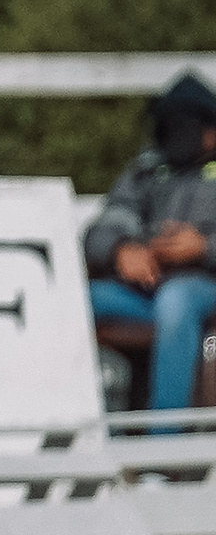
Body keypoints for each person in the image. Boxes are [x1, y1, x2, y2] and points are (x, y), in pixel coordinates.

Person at [84, 70, 216, 414]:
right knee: (73, 300)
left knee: (176, 302)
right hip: (143, 291)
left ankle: (163, 447)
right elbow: (102, 229)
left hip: (203, 288)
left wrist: (203, 247)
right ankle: (63, 423)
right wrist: (121, 250)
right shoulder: (145, 172)